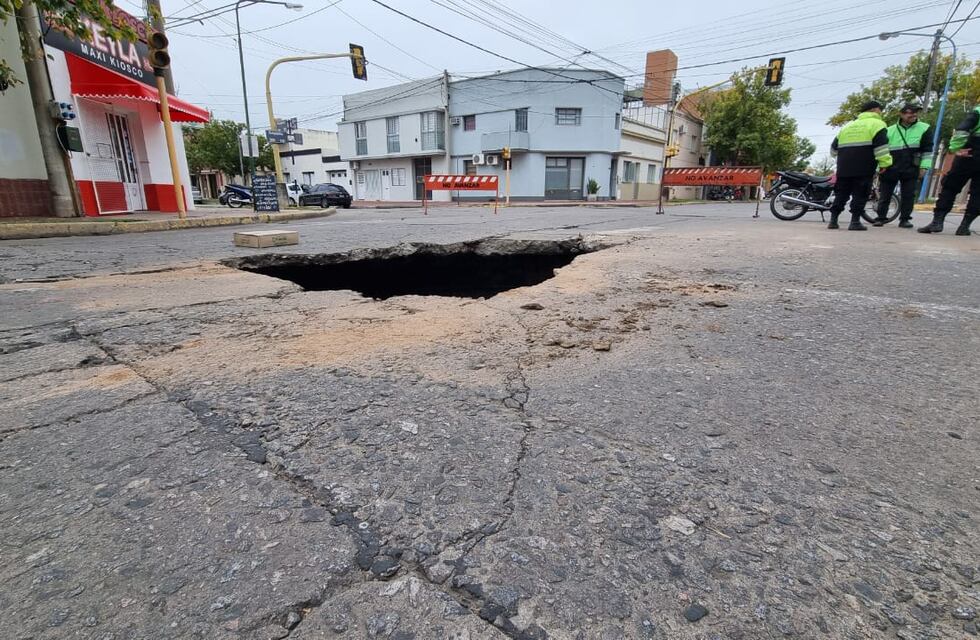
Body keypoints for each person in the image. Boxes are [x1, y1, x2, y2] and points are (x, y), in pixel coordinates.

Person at [829, 100, 893, 230]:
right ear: (875, 110)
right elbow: (881, 147)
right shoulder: (878, 124)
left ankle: (833, 220)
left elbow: (833, 150)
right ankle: (855, 222)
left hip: (844, 167)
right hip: (864, 166)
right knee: (860, 193)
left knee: (841, 194)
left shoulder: (848, 126)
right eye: (880, 110)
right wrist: (885, 163)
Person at [918, 105, 980, 235]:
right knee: (978, 193)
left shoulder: (978, 111)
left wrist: (955, 148)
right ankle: (964, 226)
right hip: (972, 153)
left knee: (950, 187)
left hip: (969, 154)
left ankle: (937, 222)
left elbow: (961, 130)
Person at [873, 104, 932, 228]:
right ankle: (880, 218)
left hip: (911, 167)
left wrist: (924, 167)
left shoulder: (924, 128)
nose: (913, 115)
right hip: (890, 167)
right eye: (910, 112)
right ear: (901, 114)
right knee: (885, 194)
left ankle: (905, 219)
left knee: (908, 195)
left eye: (915, 112)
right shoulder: (889, 130)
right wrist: (880, 167)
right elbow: (882, 150)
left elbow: (927, 150)